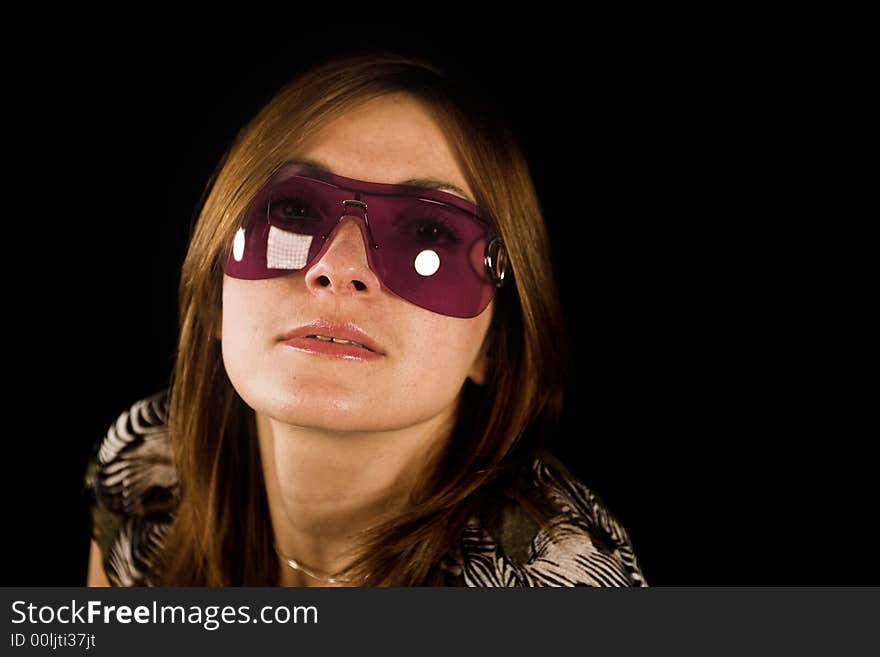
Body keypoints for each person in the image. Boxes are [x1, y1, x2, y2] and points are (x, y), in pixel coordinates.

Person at [83, 50, 648, 587]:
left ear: (494, 345)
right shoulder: (148, 475)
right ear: (214, 299)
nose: (338, 268)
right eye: (295, 211)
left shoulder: (553, 582)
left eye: (430, 232)